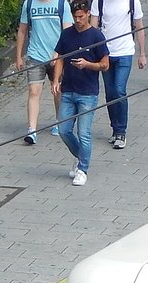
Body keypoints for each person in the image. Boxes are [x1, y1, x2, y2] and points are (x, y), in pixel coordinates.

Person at [52, 1, 110, 186]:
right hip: (68, 89)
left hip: (88, 93)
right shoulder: (67, 34)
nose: (78, 20)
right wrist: (55, 80)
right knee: (63, 130)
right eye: (75, 17)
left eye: (81, 16)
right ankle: (80, 156)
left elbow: (105, 64)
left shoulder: (96, 35)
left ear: (87, 14)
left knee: (84, 132)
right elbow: (60, 57)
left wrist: (87, 64)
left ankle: (83, 169)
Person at [90, 0, 147, 149]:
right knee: (110, 93)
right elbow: (93, 29)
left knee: (119, 90)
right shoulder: (99, 2)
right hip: (106, 54)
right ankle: (115, 129)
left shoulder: (132, 2)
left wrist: (142, 54)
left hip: (125, 52)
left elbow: (139, 27)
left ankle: (121, 131)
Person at [15, 1, 73, 145]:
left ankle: (59, 121)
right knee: (33, 91)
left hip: (57, 56)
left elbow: (68, 32)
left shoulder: (62, 4)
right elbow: (22, 30)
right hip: (35, 56)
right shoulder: (29, 4)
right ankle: (32, 130)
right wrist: (18, 56)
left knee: (57, 90)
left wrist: (60, 53)